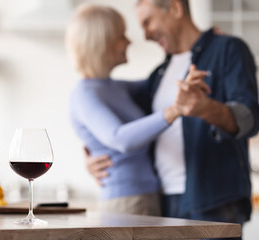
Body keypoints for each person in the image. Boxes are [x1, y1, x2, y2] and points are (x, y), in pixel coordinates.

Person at [86, 0, 259, 237]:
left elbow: (249, 118)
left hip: (214, 202)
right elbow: (127, 127)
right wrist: (91, 156)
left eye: (148, 22)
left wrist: (204, 108)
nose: (145, 35)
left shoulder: (228, 49)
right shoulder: (158, 74)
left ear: (175, 8)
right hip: (162, 203)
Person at [66, 4, 208, 215]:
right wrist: (173, 111)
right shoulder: (84, 94)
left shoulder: (114, 87)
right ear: (101, 42)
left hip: (147, 196)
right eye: (121, 35)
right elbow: (120, 139)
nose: (129, 41)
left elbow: (168, 80)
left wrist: (209, 44)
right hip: (125, 202)